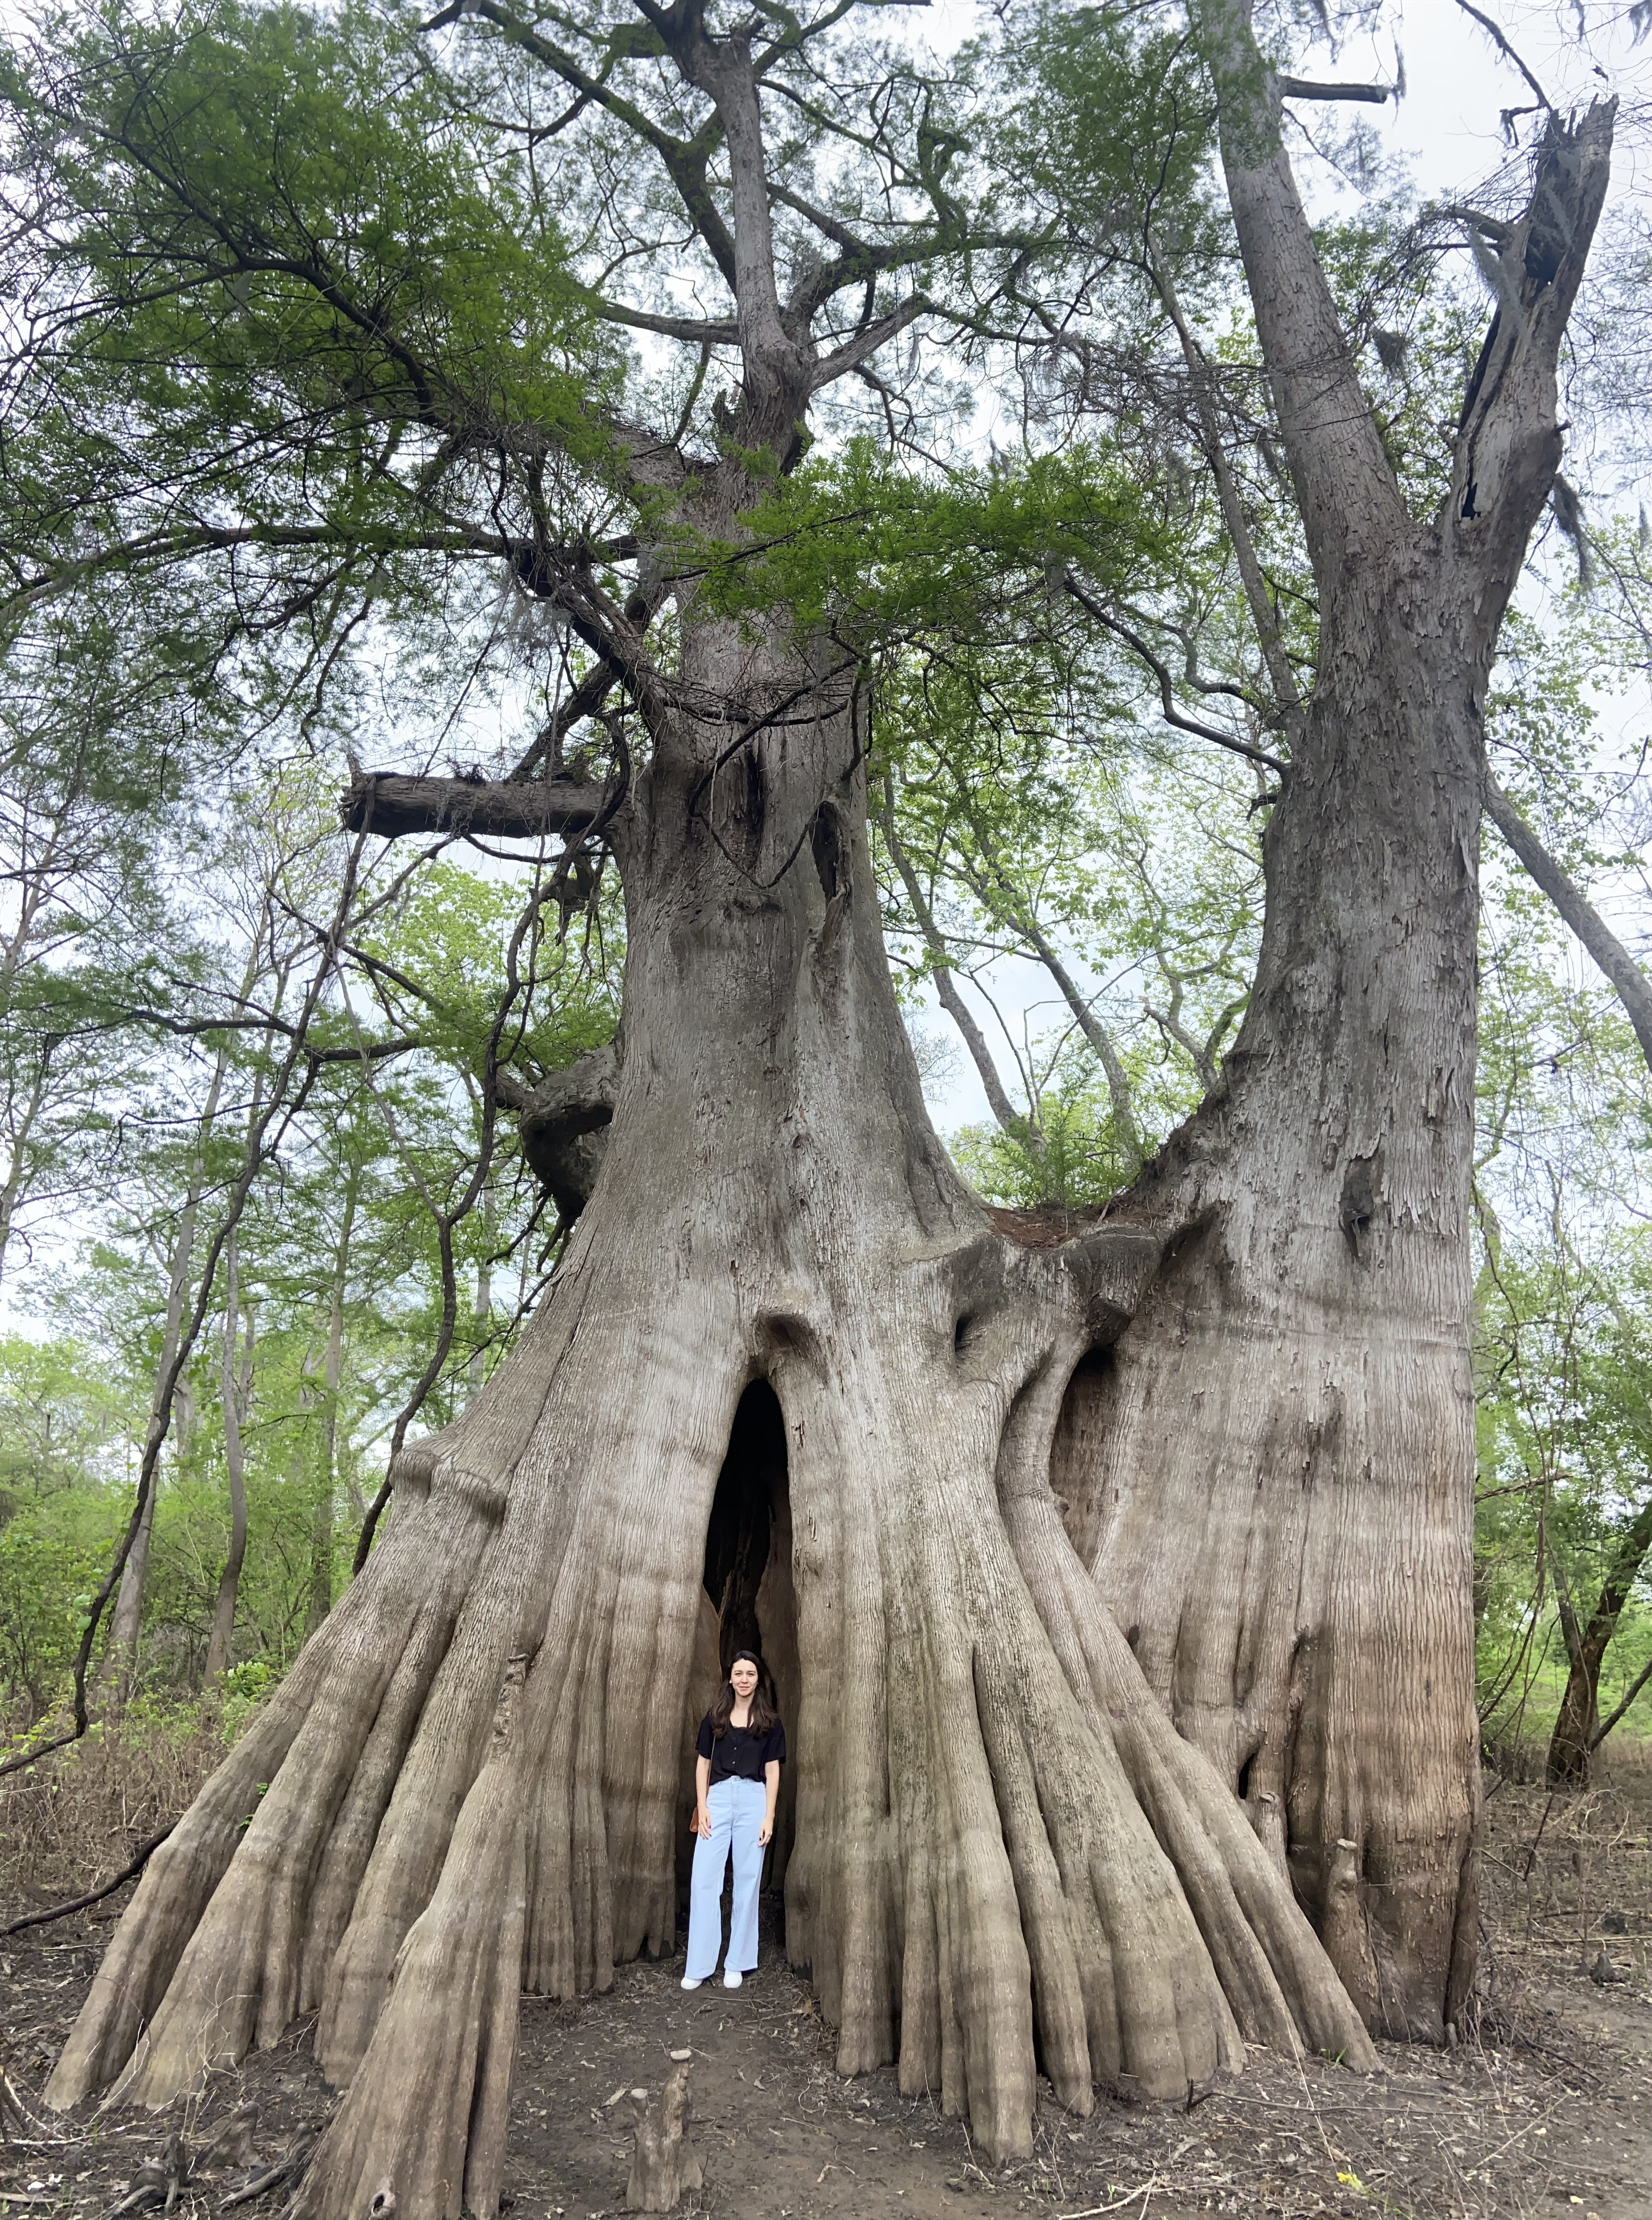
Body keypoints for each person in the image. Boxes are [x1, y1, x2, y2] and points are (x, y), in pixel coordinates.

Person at [682, 1648, 785, 1991]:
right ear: (730, 1678)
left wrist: (769, 1815)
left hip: (754, 1800)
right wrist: (704, 1804)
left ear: (758, 1679)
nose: (744, 1680)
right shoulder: (715, 1718)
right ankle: (699, 1964)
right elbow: (702, 1764)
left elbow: (773, 1771)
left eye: (750, 1674)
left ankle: (737, 1962)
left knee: (747, 1880)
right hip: (719, 1798)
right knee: (704, 1879)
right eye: (739, 1674)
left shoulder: (770, 1722)